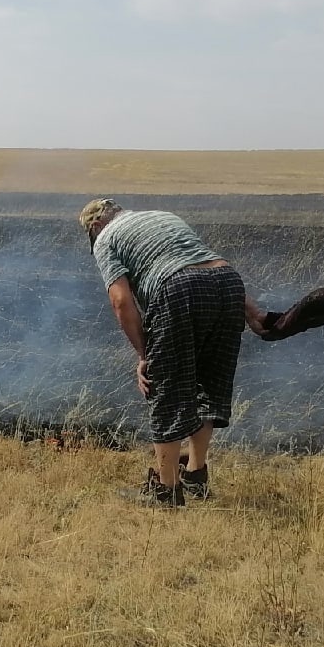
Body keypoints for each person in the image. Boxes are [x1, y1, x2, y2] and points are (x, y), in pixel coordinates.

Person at [79, 199, 267, 507]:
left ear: (96, 226)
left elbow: (121, 301)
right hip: (228, 281)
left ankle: (166, 490)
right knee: (209, 382)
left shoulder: (106, 237)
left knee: (165, 388)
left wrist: (144, 355)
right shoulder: (164, 216)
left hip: (178, 288)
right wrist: (253, 312)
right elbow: (203, 264)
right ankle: (195, 474)